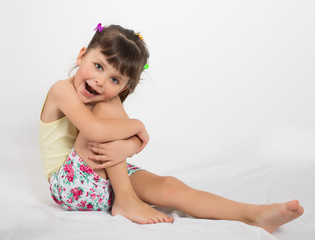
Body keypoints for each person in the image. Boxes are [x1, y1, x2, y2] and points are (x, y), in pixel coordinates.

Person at [39, 23, 304, 232]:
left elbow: (132, 143)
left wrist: (129, 142)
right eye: (98, 66)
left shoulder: (107, 100)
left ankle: (254, 214)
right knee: (108, 110)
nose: (99, 81)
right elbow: (98, 132)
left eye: (114, 79)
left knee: (170, 187)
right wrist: (138, 126)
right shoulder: (61, 90)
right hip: (71, 185)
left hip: (103, 171)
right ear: (82, 54)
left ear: (124, 87)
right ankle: (126, 201)